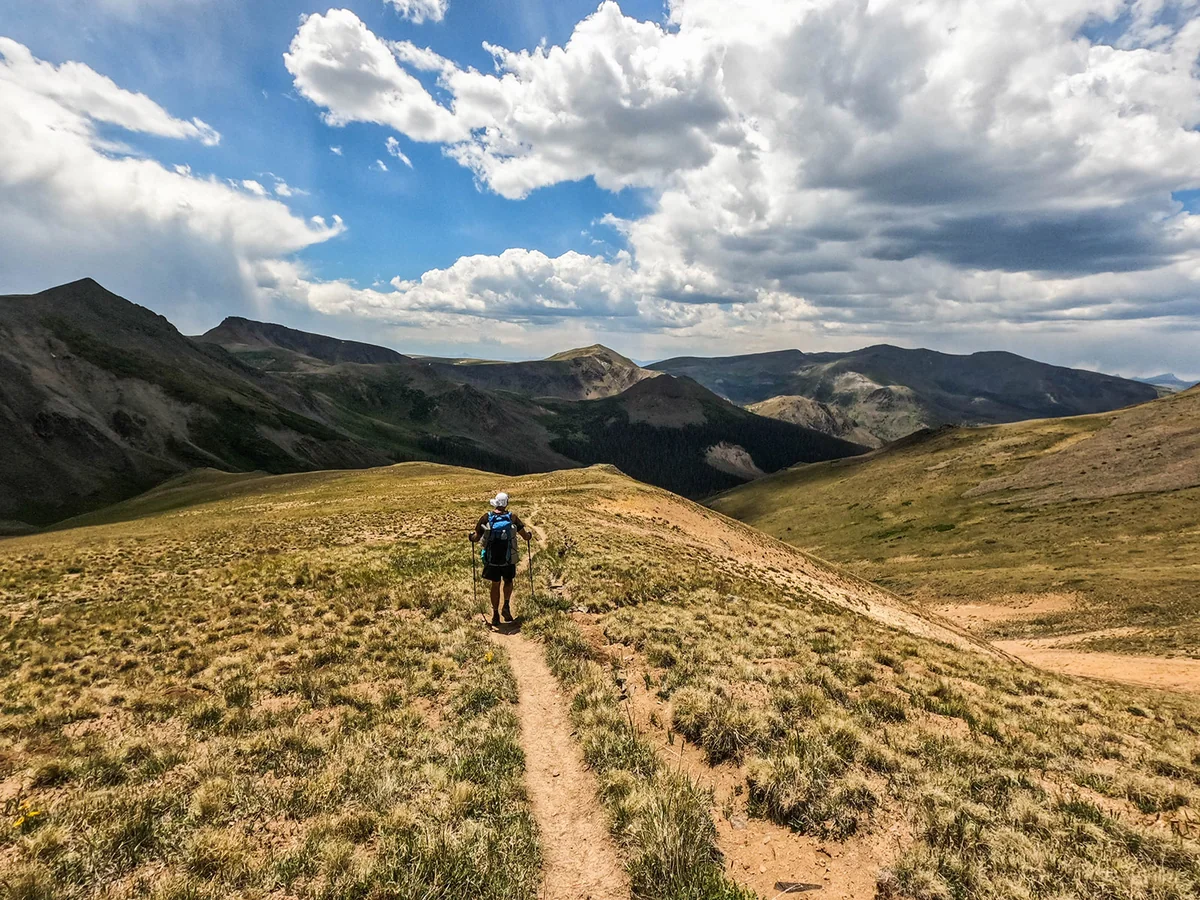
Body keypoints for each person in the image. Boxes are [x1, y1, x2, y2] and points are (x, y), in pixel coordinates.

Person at [470, 492, 532, 627]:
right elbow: (524, 536)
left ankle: (495, 614)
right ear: (506, 504)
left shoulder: (487, 517)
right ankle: (506, 606)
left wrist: (470, 537)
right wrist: (529, 536)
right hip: (508, 558)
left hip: (492, 559)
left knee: (495, 584)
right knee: (508, 581)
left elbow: (476, 537)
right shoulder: (512, 517)